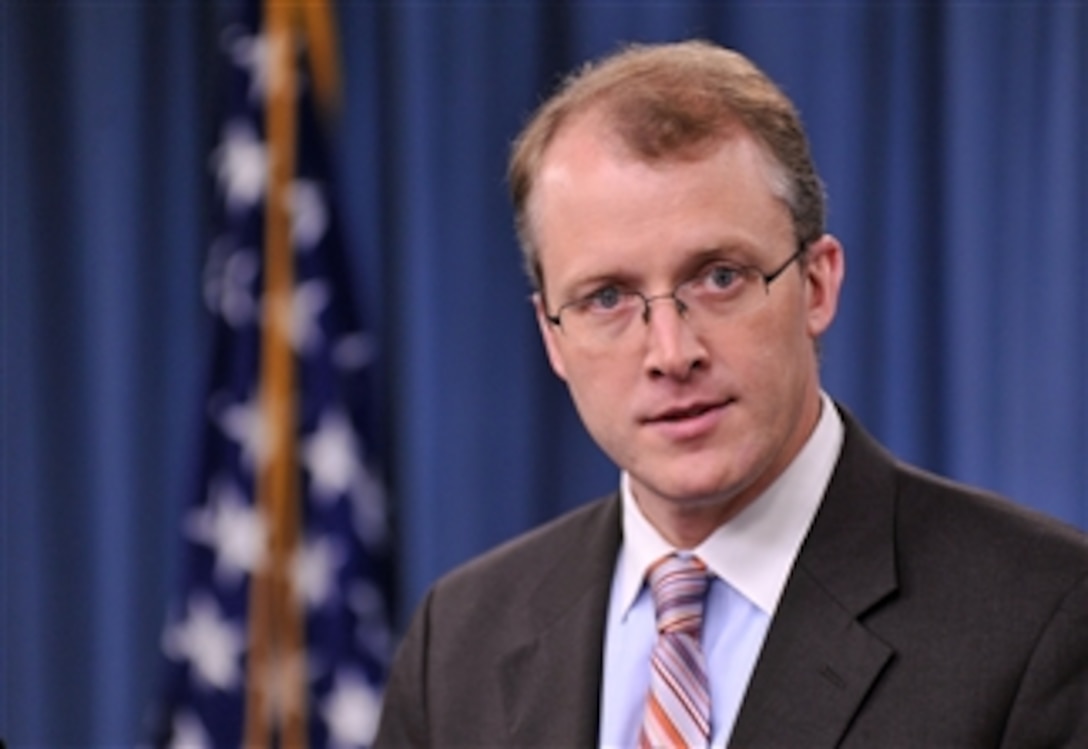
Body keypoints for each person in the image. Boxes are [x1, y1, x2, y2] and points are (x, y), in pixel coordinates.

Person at [374, 40, 1088, 748]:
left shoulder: (1043, 614)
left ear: (817, 284)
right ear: (552, 335)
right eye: (608, 297)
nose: (671, 353)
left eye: (719, 277)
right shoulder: (459, 639)